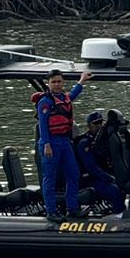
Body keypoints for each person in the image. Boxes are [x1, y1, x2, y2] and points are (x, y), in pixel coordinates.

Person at [35, 67, 92, 219]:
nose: (57, 84)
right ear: (48, 84)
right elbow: (43, 125)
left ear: (63, 82)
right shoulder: (45, 102)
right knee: (50, 177)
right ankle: (51, 211)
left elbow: (73, 94)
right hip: (51, 142)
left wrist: (82, 80)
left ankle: (72, 208)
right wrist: (46, 145)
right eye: (53, 82)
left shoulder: (64, 98)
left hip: (64, 141)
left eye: (59, 82)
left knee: (73, 173)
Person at [75, 111, 125, 214]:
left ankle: (116, 209)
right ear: (89, 125)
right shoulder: (84, 143)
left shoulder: (101, 141)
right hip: (89, 179)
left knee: (121, 186)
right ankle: (118, 215)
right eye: (95, 123)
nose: (98, 126)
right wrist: (109, 178)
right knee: (115, 191)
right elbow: (91, 167)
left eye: (100, 123)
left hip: (100, 176)